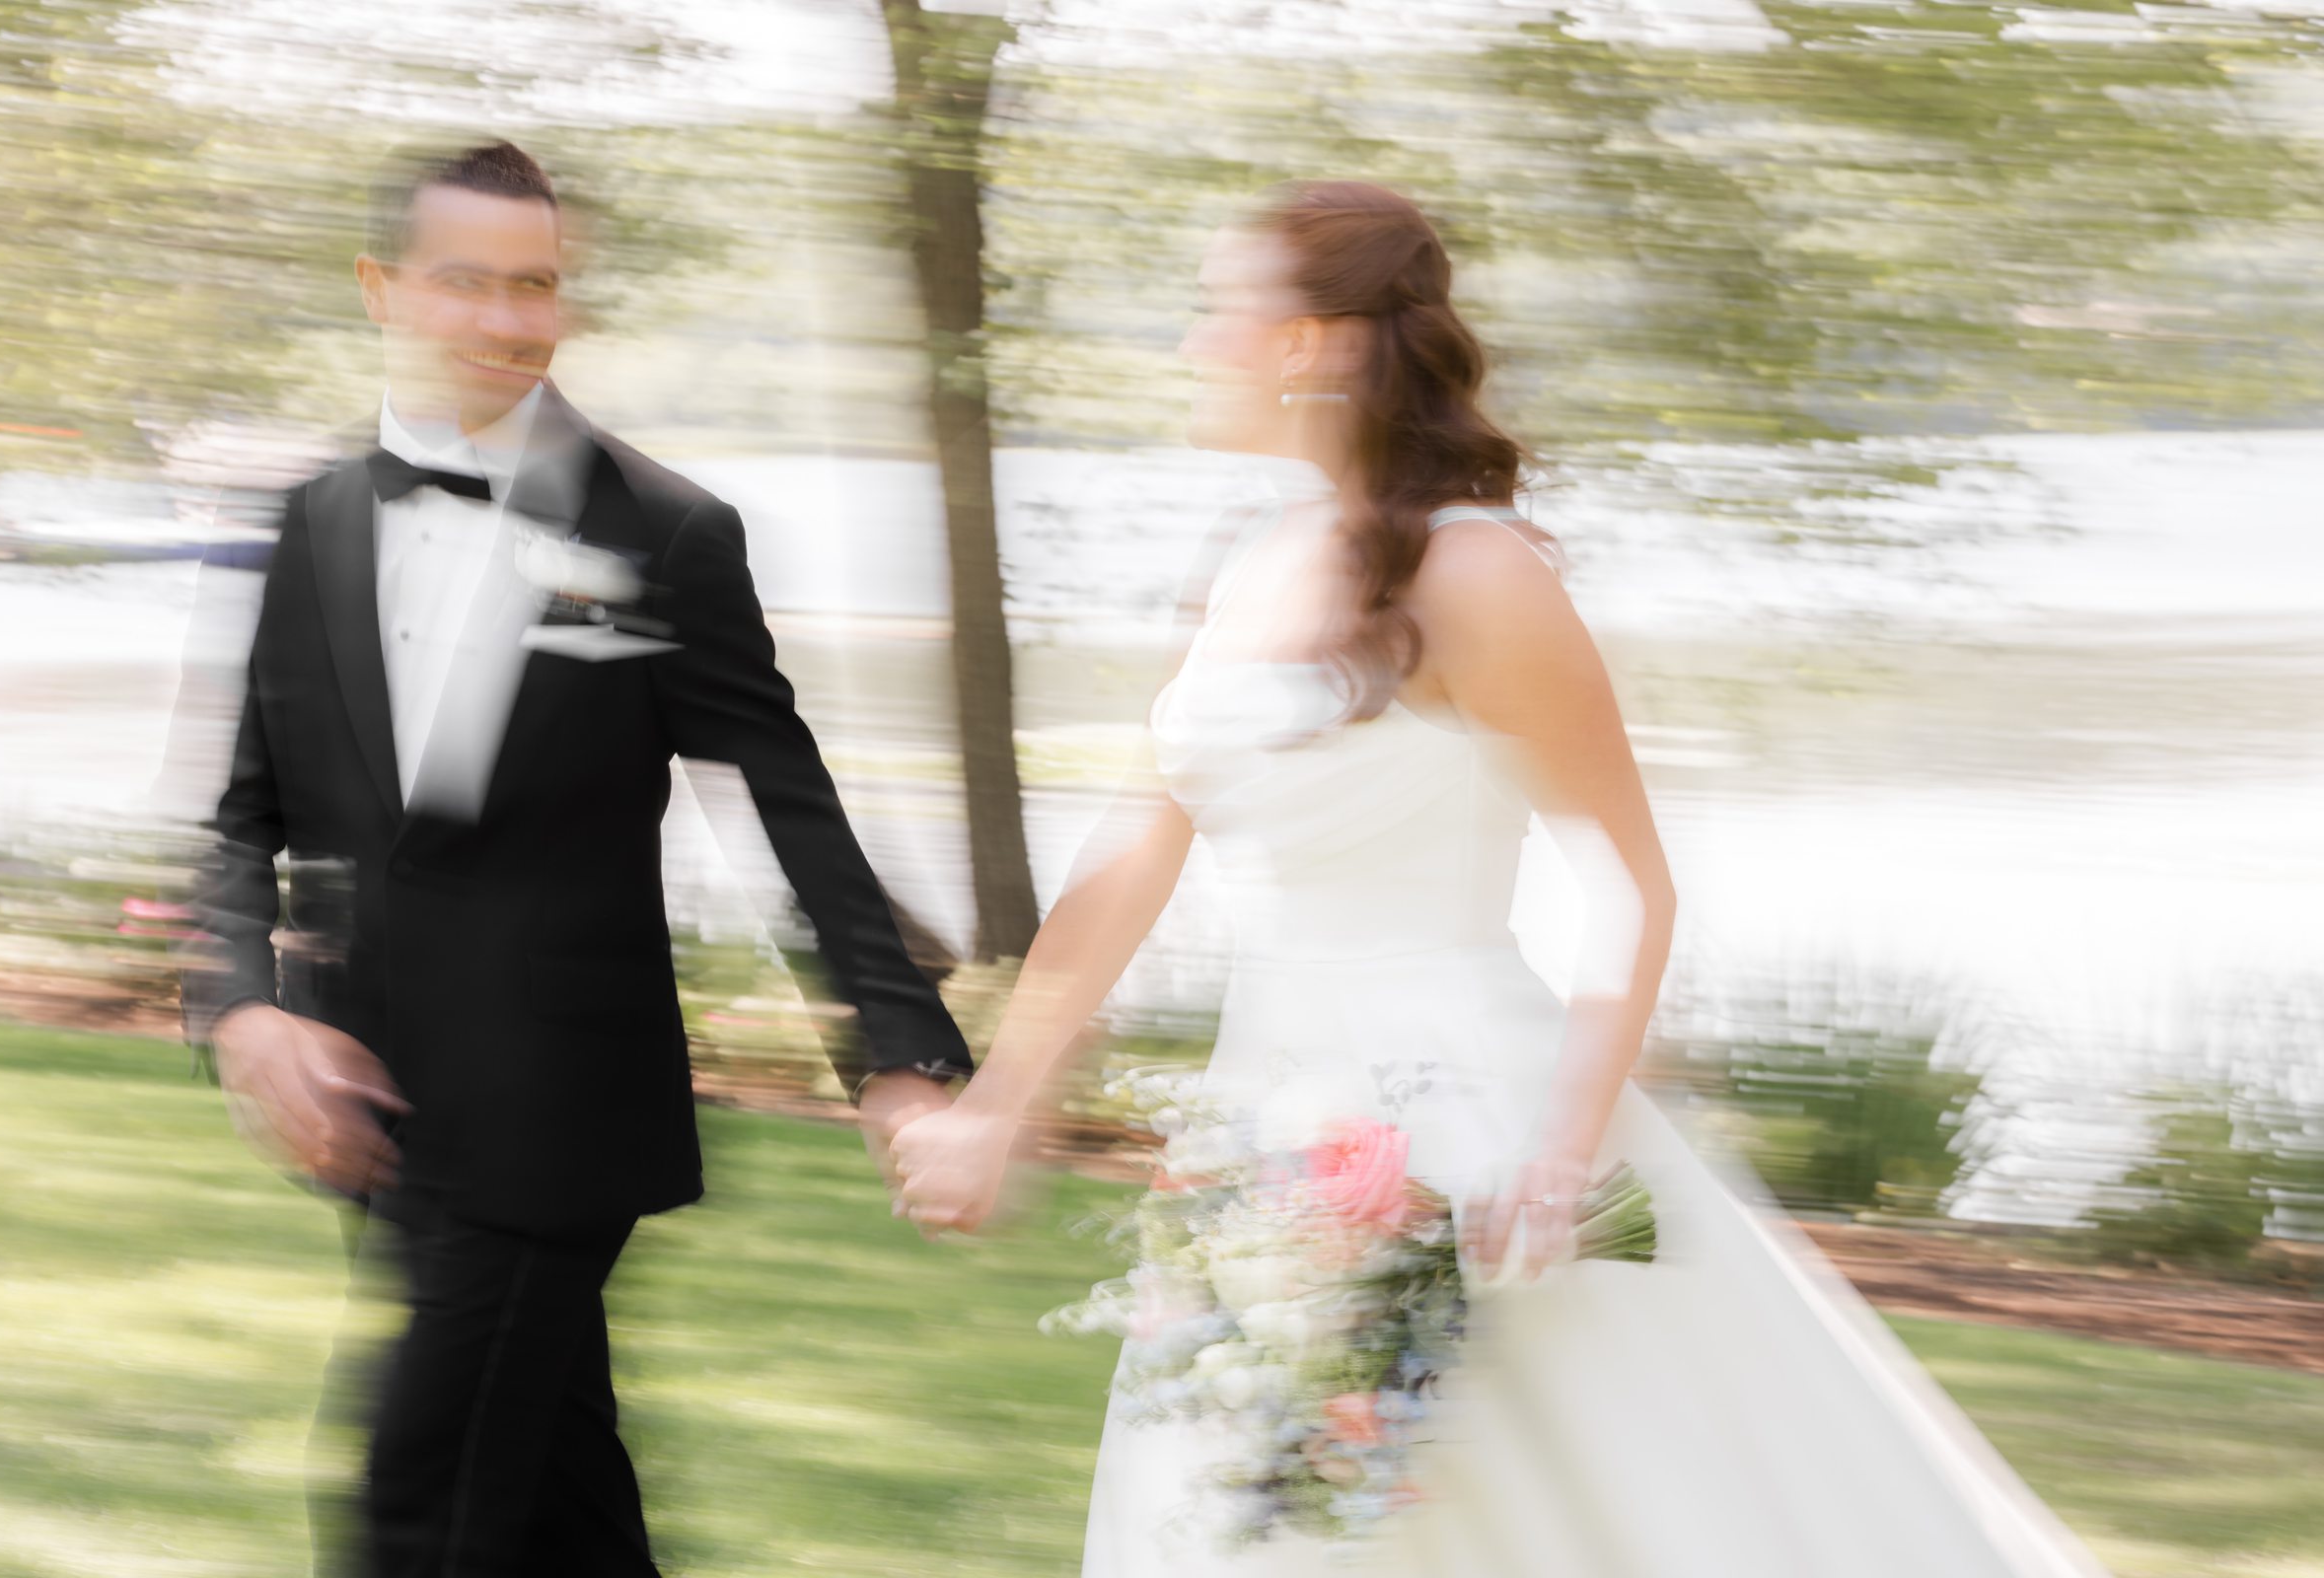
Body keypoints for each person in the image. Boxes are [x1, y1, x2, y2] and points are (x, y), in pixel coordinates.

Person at [889, 180, 2111, 1576]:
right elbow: (1133, 853)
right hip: (1270, 1118)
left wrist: (1562, 1149)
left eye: (1218, 312)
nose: (1190, 345)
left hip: (1466, 1125)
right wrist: (998, 1108)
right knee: (1250, 1517)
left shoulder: (1480, 578)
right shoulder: (1249, 562)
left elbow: (1632, 885)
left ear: (1317, 344)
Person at [182, 140, 969, 1577]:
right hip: (377, 1112)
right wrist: (242, 1010)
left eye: (535, 284)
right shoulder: (314, 519)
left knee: (415, 1505)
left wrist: (897, 1045)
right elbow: (242, 812)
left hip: (561, 1117)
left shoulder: (665, 532)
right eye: (465, 282)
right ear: (382, 288)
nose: (504, 320)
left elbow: (786, 801)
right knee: (554, 1502)